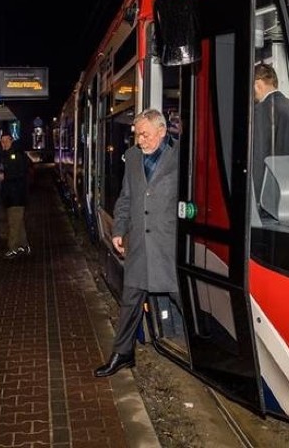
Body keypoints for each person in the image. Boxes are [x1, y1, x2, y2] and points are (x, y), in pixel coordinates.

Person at [94, 108, 179, 378]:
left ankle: (208, 351)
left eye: (144, 134)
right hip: (140, 243)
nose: (139, 140)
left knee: (182, 298)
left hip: (168, 244)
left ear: (162, 132)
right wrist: (119, 229)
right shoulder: (132, 157)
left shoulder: (181, 155)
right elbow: (126, 197)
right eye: (137, 135)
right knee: (130, 300)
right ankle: (123, 354)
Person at [251, 62, 289, 207]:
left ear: (258, 84)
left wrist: (257, 200)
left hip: (271, 194)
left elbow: (259, 156)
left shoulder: (260, 111)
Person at [0, 132, 31, 258]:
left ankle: (13, 248)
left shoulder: (17, 155)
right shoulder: (4, 155)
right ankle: (24, 245)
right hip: (11, 195)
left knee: (13, 223)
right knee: (18, 222)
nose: (4, 143)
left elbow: (21, 173)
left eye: (6, 140)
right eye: (2, 141)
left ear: (11, 141)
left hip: (16, 195)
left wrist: (5, 177)